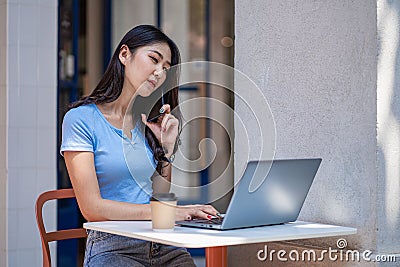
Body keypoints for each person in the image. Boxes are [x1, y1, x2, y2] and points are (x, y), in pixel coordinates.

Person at [61, 24, 219, 267]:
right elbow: (92, 208)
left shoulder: (147, 123)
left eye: (166, 68)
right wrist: (172, 213)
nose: (159, 72)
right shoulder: (81, 120)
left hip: (163, 244)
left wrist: (166, 151)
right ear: (125, 55)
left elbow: (159, 195)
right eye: (153, 59)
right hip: (114, 246)